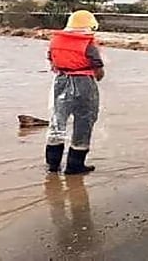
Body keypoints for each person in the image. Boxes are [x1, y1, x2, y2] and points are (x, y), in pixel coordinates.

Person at [45, 10, 105, 174]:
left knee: (57, 120)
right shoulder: (88, 43)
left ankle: (52, 164)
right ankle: (75, 165)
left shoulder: (56, 40)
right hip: (84, 82)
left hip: (60, 80)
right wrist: (97, 77)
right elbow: (98, 68)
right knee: (84, 121)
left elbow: (51, 60)